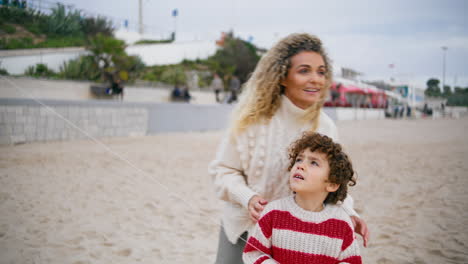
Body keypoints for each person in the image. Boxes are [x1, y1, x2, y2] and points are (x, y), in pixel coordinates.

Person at [208, 33, 369, 264]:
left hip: (298, 238)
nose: (315, 79)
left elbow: (332, 179)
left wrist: (350, 213)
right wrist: (248, 198)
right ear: (282, 77)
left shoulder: (325, 126)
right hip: (243, 230)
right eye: (304, 71)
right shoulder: (250, 120)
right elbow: (222, 171)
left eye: (321, 72)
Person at [243, 132, 361, 264]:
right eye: (299, 159)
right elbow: (253, 254)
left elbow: (352, 261)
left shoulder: (341, 222)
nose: (300, 165)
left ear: (332, 184)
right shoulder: (274, 212)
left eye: (314, 163)